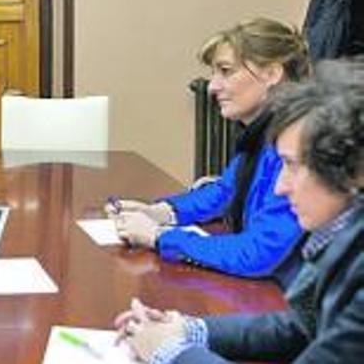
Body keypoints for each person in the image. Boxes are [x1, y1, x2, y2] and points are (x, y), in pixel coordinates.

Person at [113, 57, 364, 364]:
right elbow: (300, 328)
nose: (280, 187)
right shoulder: (343, 233)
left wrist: (167, 352)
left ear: (354, 170)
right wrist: (188, 330)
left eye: (293, 166)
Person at [110, 18, 308, 286]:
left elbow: (258, 254)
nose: (213, 86)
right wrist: (163, 212)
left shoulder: (298, 145)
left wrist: (159, 236)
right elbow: (225, 191)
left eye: (226, 71)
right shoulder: (263, 133)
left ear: (272, 74)